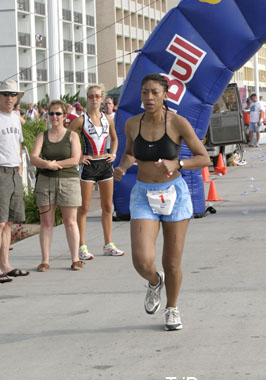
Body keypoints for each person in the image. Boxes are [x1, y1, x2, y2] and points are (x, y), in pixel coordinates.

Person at [114, 73, 210, 331]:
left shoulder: (178, 123)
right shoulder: (132, 124)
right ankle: (155, 282)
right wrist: (122, 167)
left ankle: (172, 308)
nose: (149, 97)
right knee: (142, 261)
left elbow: (204, 158)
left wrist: (177, 162)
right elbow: (130, 153)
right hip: (144, 194)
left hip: (174, 195)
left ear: (165, 94)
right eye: (145, 92)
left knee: (172, 262)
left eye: (155, 92)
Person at [69, 84, 124, 260]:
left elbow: (115, 139)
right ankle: (81, 246)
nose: (94, 99)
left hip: (105, 164)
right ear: (87, 98)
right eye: (91, 96)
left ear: (102, 99)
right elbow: (67, 138)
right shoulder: (80, 120)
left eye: (97, 96)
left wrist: (113, 154)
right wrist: (78, 158)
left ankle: (108, 244)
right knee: (84, 208)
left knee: (107, 207)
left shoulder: (109, 119)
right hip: (88, 165)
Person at [30, 100, 83, 272]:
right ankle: (45, 260)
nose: (54, 117)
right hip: (46, 181)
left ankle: (75, 258)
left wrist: (55, 163)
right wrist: (47, 165)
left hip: (68, 181)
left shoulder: (72, 136)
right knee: (46, 222)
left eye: (58, 113)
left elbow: (75, 159)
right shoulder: (42, 136)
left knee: (70, 221)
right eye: (51, 113)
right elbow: (34, 157)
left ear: (64, 116)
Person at [0, 80, 30, 283]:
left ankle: (5, 264)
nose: (10, 98)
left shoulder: (15, 119)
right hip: (0, 171)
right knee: (0, 222)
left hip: (13, 171)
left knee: (9, 221)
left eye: (13, 94)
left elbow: (19, 143)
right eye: (5, 94)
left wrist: (19, 163)